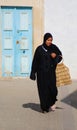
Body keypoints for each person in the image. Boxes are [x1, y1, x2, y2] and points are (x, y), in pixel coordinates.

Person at [30, 33, 62, 113]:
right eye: (48, 40)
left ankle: (51, 102)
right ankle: (44, 107)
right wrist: (33, 72)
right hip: (41, 74)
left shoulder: (54, 47)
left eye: (51, 40)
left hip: (51, 73)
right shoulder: (39, 49)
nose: (49, 42)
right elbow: (35, 61)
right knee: (43, 91)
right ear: (45, 40)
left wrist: (56, 57)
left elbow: (60, 56)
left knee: (53, 90)